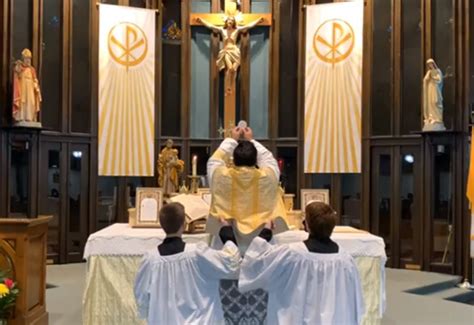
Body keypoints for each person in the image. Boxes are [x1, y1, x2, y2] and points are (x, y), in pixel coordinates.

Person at [239, 202, 365, 324]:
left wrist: (266, 231)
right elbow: (355, 302)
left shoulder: (291, 254)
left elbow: (256, 263)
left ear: (307, 226)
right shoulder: (346, 260)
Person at [134, 203, 240, 324]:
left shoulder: (150, 259)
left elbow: (141, 296)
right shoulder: (197, 254)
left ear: (162, 225)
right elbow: (231, 264)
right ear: (184, 225)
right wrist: (226, 231)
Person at [207, 126, 289, 246]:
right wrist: (251, 140)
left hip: (226, 241)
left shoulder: (221, 176)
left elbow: (214, 161)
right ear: (256, 160)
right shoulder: (268, 176)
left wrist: (232, 140)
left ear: (234, 160)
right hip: (262, 240)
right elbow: (268, 158)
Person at [12, 48, 42, 123]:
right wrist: (18, 65)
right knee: (23, 102)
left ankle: (29, 118)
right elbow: (17, 73)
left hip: (30, 89)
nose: (28, 60)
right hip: (23, 89)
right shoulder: (21, 68)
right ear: (23, 59)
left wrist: (36, 86)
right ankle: (21, 117)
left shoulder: (32, 70)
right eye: (26, 58)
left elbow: (35, 79)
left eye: (29, 58)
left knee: (31, 102)